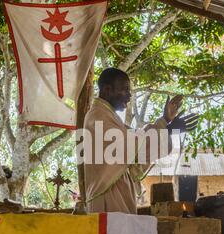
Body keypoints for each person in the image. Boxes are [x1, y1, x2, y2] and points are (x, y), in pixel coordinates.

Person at [84, 68, 198, 214]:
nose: (129, 95)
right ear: (107, 90)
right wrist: (168, 130)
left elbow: (136, 138)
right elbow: (133, 145)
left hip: (116, 195)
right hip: (108, 198)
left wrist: (165, 121)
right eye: (125, 90)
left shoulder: (107, 115)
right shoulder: (98, 115)